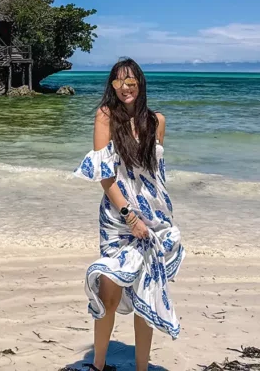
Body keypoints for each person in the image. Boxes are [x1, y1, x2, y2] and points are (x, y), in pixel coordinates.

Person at [74, 58, 184, 371]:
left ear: (140, 83)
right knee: (109, 291)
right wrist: (129, 216)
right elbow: (104, 175)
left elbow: (156, 175)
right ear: (112, 86)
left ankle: (141, 368)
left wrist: (155, 219)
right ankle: (97, 365)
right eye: (120, 82)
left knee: (146, 290)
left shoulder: (157, 121)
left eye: (132, 81)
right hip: (116, 218)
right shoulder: (106, 116)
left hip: (151, 219)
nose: (126, 87)